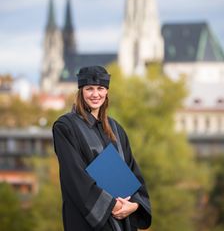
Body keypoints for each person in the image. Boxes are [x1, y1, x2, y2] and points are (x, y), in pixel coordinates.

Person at [53, 65, 151, 231]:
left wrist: (134, 205)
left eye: (100, 88)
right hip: (87, 221)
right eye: (89, 88)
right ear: (81, 91)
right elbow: (74, 176)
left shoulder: (116, 129)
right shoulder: (66, 127)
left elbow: (132, 171)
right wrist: (111, 205)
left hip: (123, 220)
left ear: (106, 92)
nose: (95, 94)